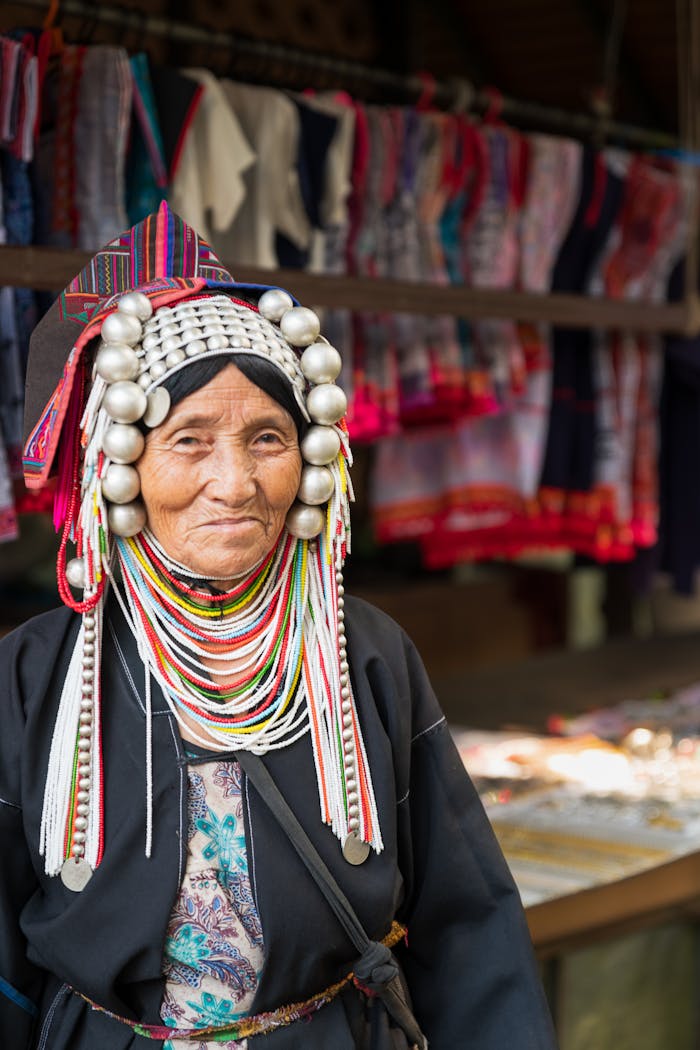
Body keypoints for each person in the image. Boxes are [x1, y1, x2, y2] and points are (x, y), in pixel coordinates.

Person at [1, 203, 557, 1049]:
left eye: (268, 437)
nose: (236, 482)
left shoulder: (363, 652)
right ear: (119, 464)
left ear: (311, 457)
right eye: (189, 439)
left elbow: (467, 918)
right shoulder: (37, 674)